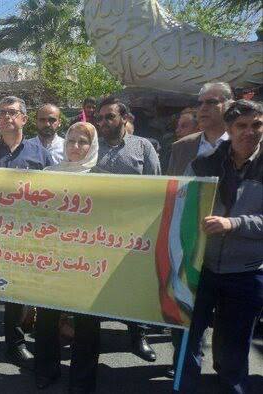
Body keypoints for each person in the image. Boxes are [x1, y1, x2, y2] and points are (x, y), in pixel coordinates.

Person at [180, 99, 263, 393]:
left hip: (247, 272)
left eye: (257, 125)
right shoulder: (203, 164)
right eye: (241, 126)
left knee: (234, 345)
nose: (249, 132)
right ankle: (186, 386)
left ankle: (232, 386)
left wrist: (235, 223)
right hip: (201, 267)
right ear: (228, 128)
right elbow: (179, 207)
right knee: (188, 337)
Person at [0, 96, 53, 372]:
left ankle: (15, 346)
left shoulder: (40, 156)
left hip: (23, 239)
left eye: (12, 113)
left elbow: (51, 198)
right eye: (2, 113)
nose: (6, 117)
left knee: (15, 296)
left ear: (24, 119)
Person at [95, 96, 160, 363]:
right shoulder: (91, 148)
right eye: (100, 118)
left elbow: (156, 187)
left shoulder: (143, 147)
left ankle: (138, 336)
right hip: (97, 232)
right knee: (97, 284)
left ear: (125, 118)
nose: (103, 122)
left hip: (134, 232)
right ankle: (90, 339)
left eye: (109, 117)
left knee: (133, 287)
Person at [37, 122, 101, 393]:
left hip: (87, 262)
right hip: (52, 258)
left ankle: (82, 379)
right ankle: (47, 370)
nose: (75, 147)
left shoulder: (106, 179)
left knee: (87, 322)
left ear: (92, 146)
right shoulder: (49, 174)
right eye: (71, 141)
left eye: (83, 142)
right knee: (47, 318)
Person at [167, 83, 233, 177]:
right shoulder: (181, 147)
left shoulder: (241, 142)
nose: (203, 108)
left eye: (211, 102)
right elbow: (172, 187)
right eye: (199, 103)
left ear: (229, 106)